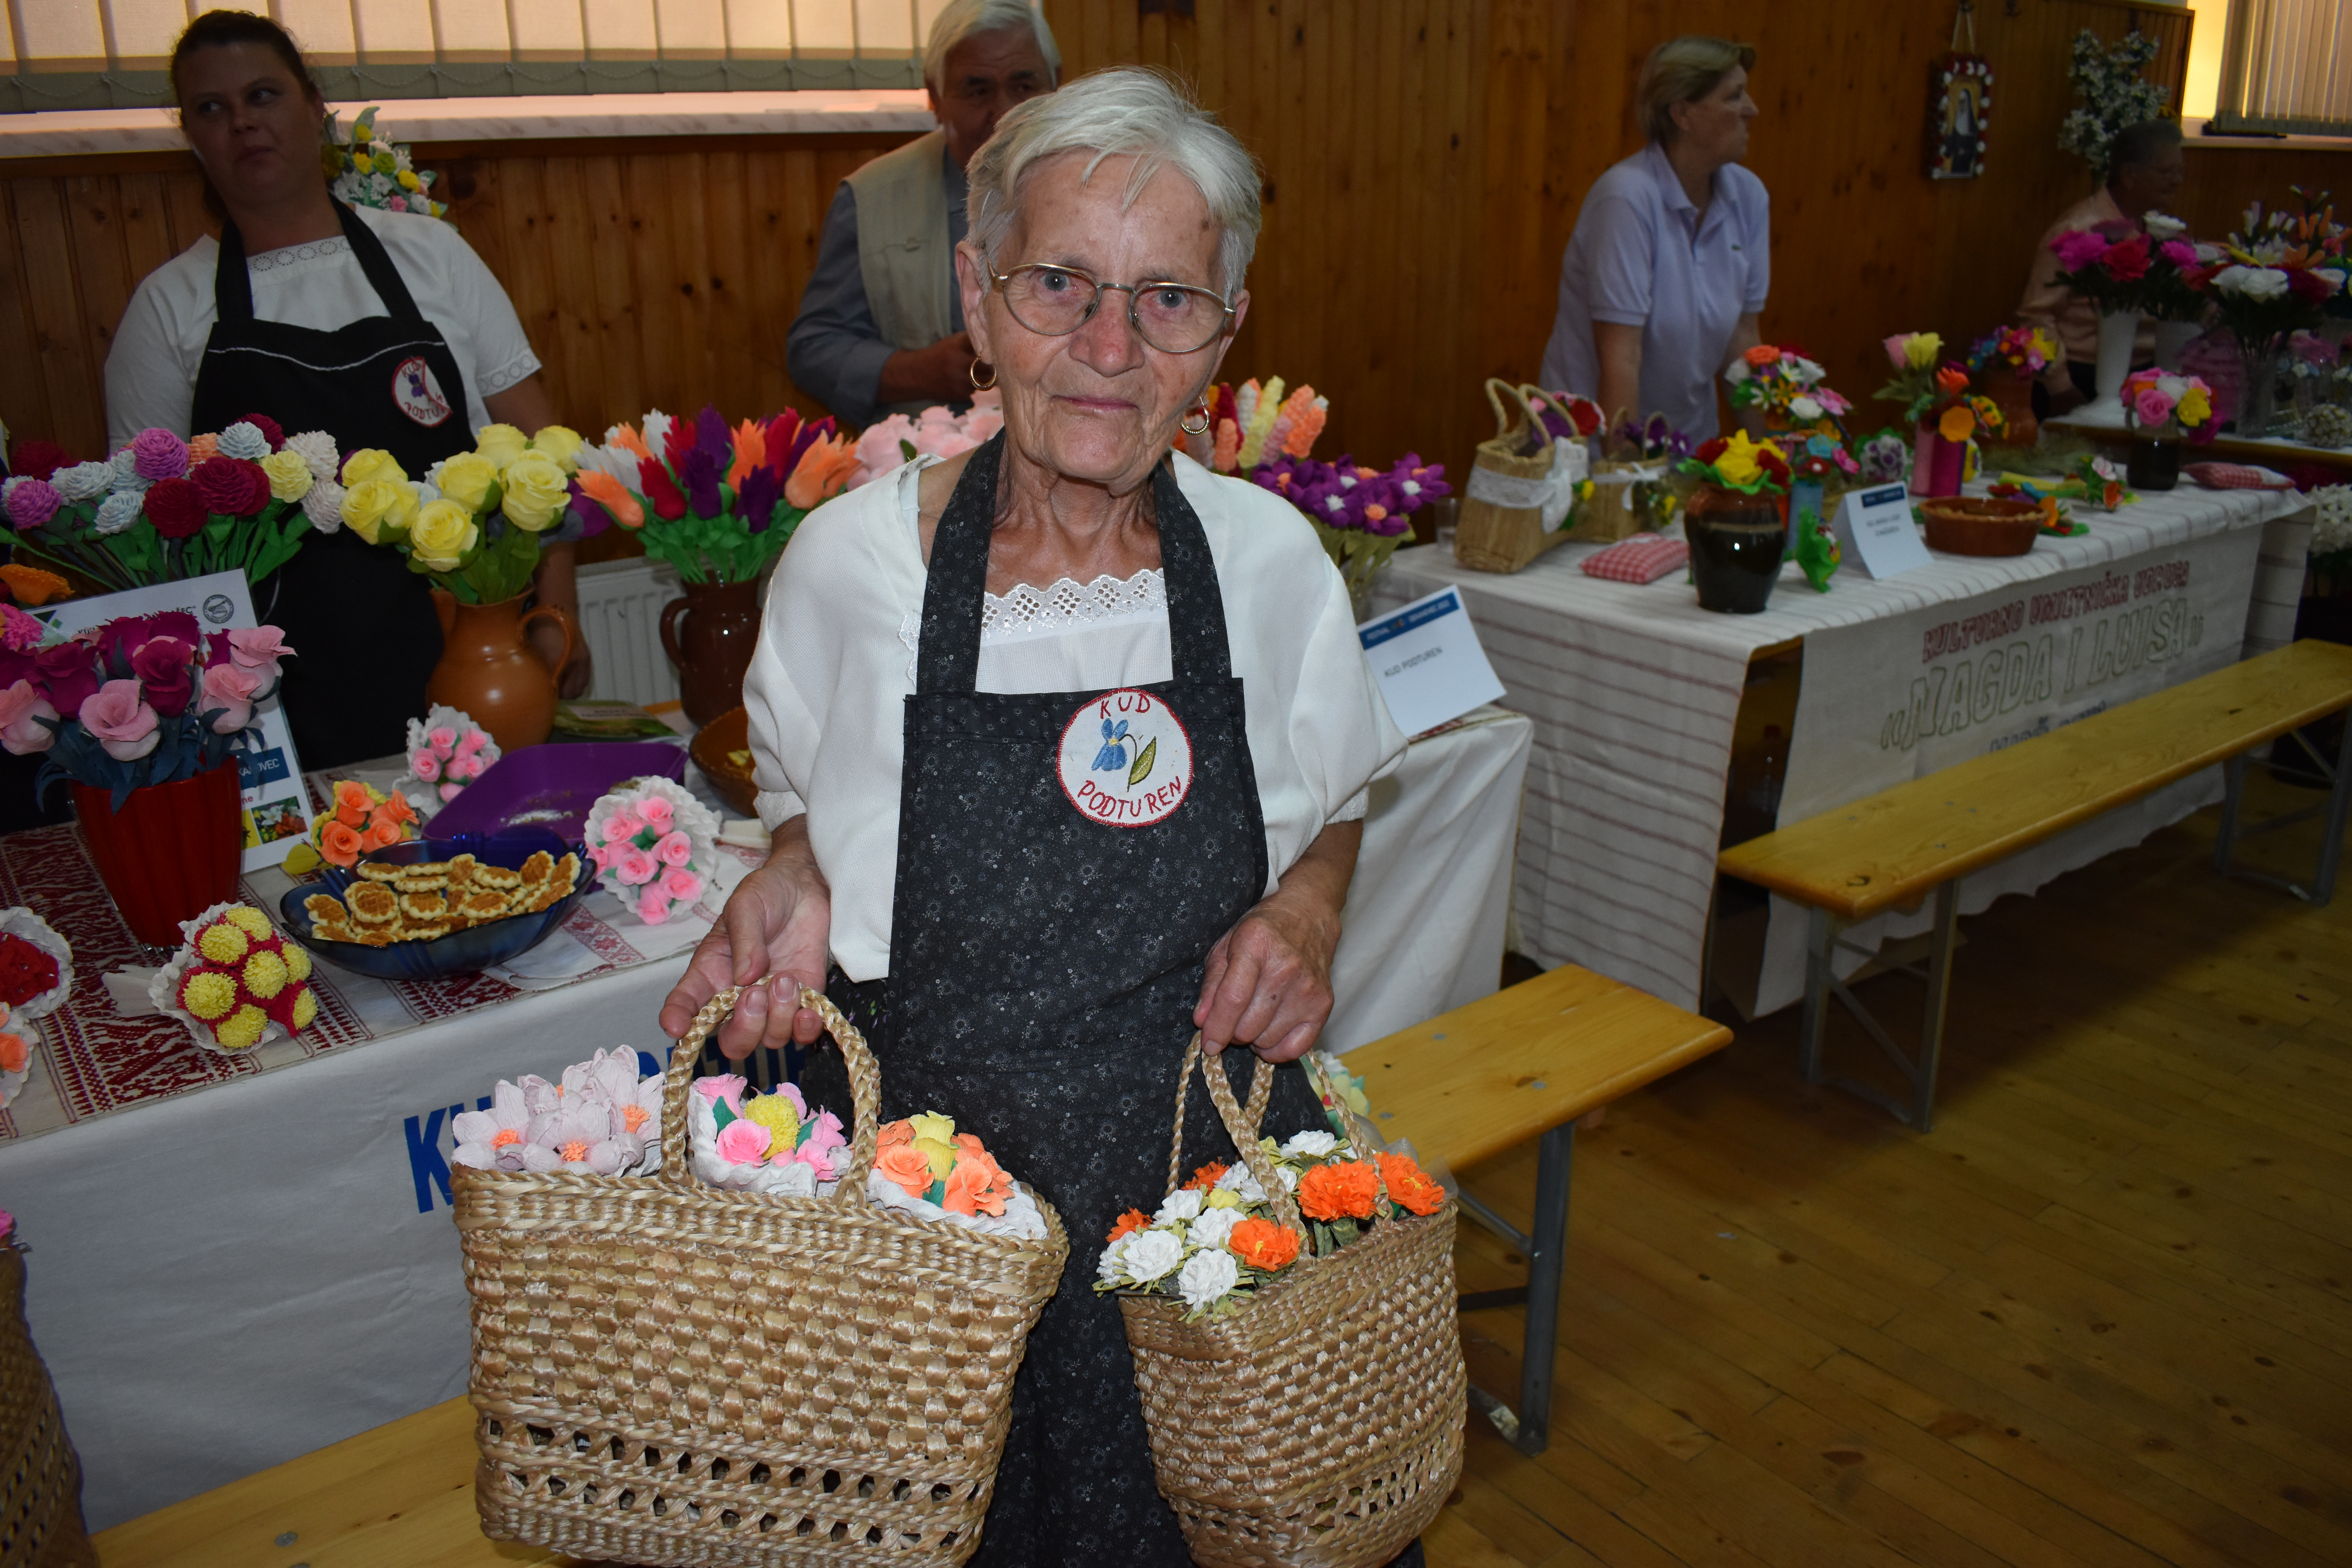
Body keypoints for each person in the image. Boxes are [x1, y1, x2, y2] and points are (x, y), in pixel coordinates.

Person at [662, 69, 1414, 1568]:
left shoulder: (1269, 565)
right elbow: (807, 802)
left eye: (1167, 300)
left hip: (1196, 1193)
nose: (1108, 350)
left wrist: (1309, 903)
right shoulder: (848, 572)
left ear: (1227, 331)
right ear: (977, 294)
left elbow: (1331, 802)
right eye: (1059, 283)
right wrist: (794, 860)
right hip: (935, 1206)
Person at [103, 9, 587, 767]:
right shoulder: (168, 307)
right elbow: (143, 537)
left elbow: (540, 453)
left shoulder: (432, 255)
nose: (242, 123)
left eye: (263, 96)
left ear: (313, 105)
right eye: (212, 108)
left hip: (468, 660)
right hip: (276, 703)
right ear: (191, 136)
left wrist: (557, 616)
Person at [785, 0, 1059, 426]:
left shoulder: (1106, 189)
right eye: (978, 91)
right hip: (925, 452)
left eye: (1024, 86)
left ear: (1057, 85)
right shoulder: (871, 198)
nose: (1004, 114)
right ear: (935, 97)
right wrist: (917, 372)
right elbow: (814, 347)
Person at [1538, 36, 1768, 443]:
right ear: (1683, 113)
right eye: (1734, 96)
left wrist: (1775, 454)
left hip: (1690, 447)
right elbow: (1621, 359)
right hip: (1593, 450)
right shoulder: (1626, 198)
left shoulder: (1748, 196)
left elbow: (1742, 342)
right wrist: (1622, 472)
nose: (1752, 109)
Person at [2016, 118, 2185, 411]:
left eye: (2180, 172)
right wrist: (2060, 386)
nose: (2177, 181)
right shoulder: (2078, 230)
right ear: (2130, 175)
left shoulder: (2156, 229)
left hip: (2143, 377)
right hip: (2080, 379)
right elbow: (2036, 315)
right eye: (2166, 172)